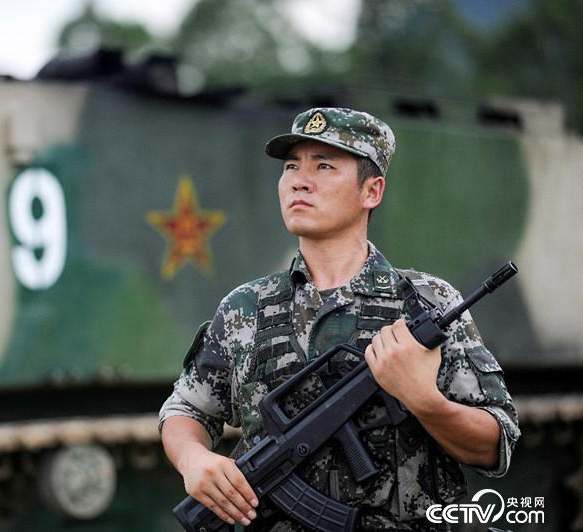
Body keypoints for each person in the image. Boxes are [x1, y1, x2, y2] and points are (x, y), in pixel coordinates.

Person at [158, 107, 520, 531]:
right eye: (291, 166)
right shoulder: (245, 309)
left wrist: (425, 401)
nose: (299, 180)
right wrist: (193, 458)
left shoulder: (427, 302)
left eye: (324, 165)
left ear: (372, 191)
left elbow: (497, 444)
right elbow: (188, 408)